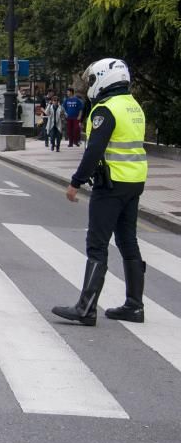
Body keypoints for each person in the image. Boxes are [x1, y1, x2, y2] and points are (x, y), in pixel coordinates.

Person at [53, 59, 148, 326]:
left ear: (106, 79)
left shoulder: (105, 110)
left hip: (111, 184)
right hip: (134, 182)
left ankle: (86, 308)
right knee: (128, 241)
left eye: (93, 80)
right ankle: (135, 305)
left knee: (97, 244)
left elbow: (94, 151)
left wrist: (75, 182)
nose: (91, 85)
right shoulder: (134, 107)